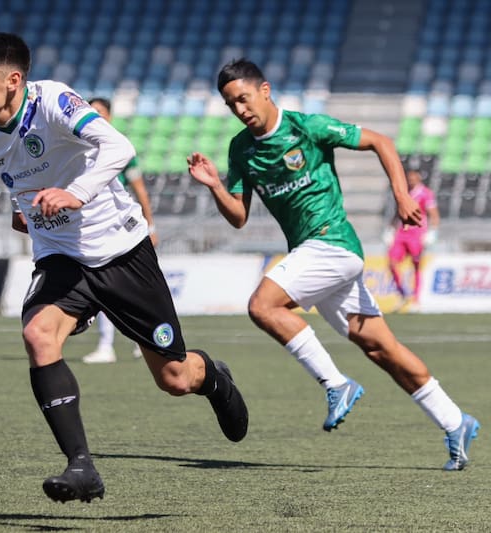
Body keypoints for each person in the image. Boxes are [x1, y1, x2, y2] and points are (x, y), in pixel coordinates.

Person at [0, 32, 248, 503]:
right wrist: (27, 208)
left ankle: (214, 378)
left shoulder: (51, 100)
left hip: (120, 252)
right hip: (60, 255)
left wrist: (75, 193)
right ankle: (82, 468)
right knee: (38, 335)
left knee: (174, 379)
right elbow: (18, 174)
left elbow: (116, 146)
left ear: (13, 81)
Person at [187, 58, 478, 471]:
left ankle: (336, 383)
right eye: (231, 104)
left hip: (332, 243)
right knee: (382, 349)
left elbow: (381, 141)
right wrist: (216, 185)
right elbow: (238, 217)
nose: (240, 109)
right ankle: (456, 422)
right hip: (314, 257)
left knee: (262, 306)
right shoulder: (242, 150)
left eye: (244, 98)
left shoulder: (307, 127)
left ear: (265, 90)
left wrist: (401, 195)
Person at [82, 97, 157, 364]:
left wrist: (151, 224)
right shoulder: (79, 149)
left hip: (123, 226)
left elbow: (139, 190)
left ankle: (143, 338)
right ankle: (106, 345)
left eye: (99, 112)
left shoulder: (118, 147)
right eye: (89, 111)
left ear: (110, 117)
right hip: (96, 230)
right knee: (104, 286)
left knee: (133, 286)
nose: (93, 115)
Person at [384, 168, 439, 310]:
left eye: (413, 177)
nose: (411, 180)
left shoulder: (426, 194)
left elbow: (433, 214)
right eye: (409, 178)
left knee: (416, 265)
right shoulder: (404, 192)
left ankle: (416, 300)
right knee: (392, 263)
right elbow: (398, 212)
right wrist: (390, 229)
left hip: (417, 234)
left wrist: (432, 232)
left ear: (419, 178)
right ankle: (402, 294)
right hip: (401, 233)